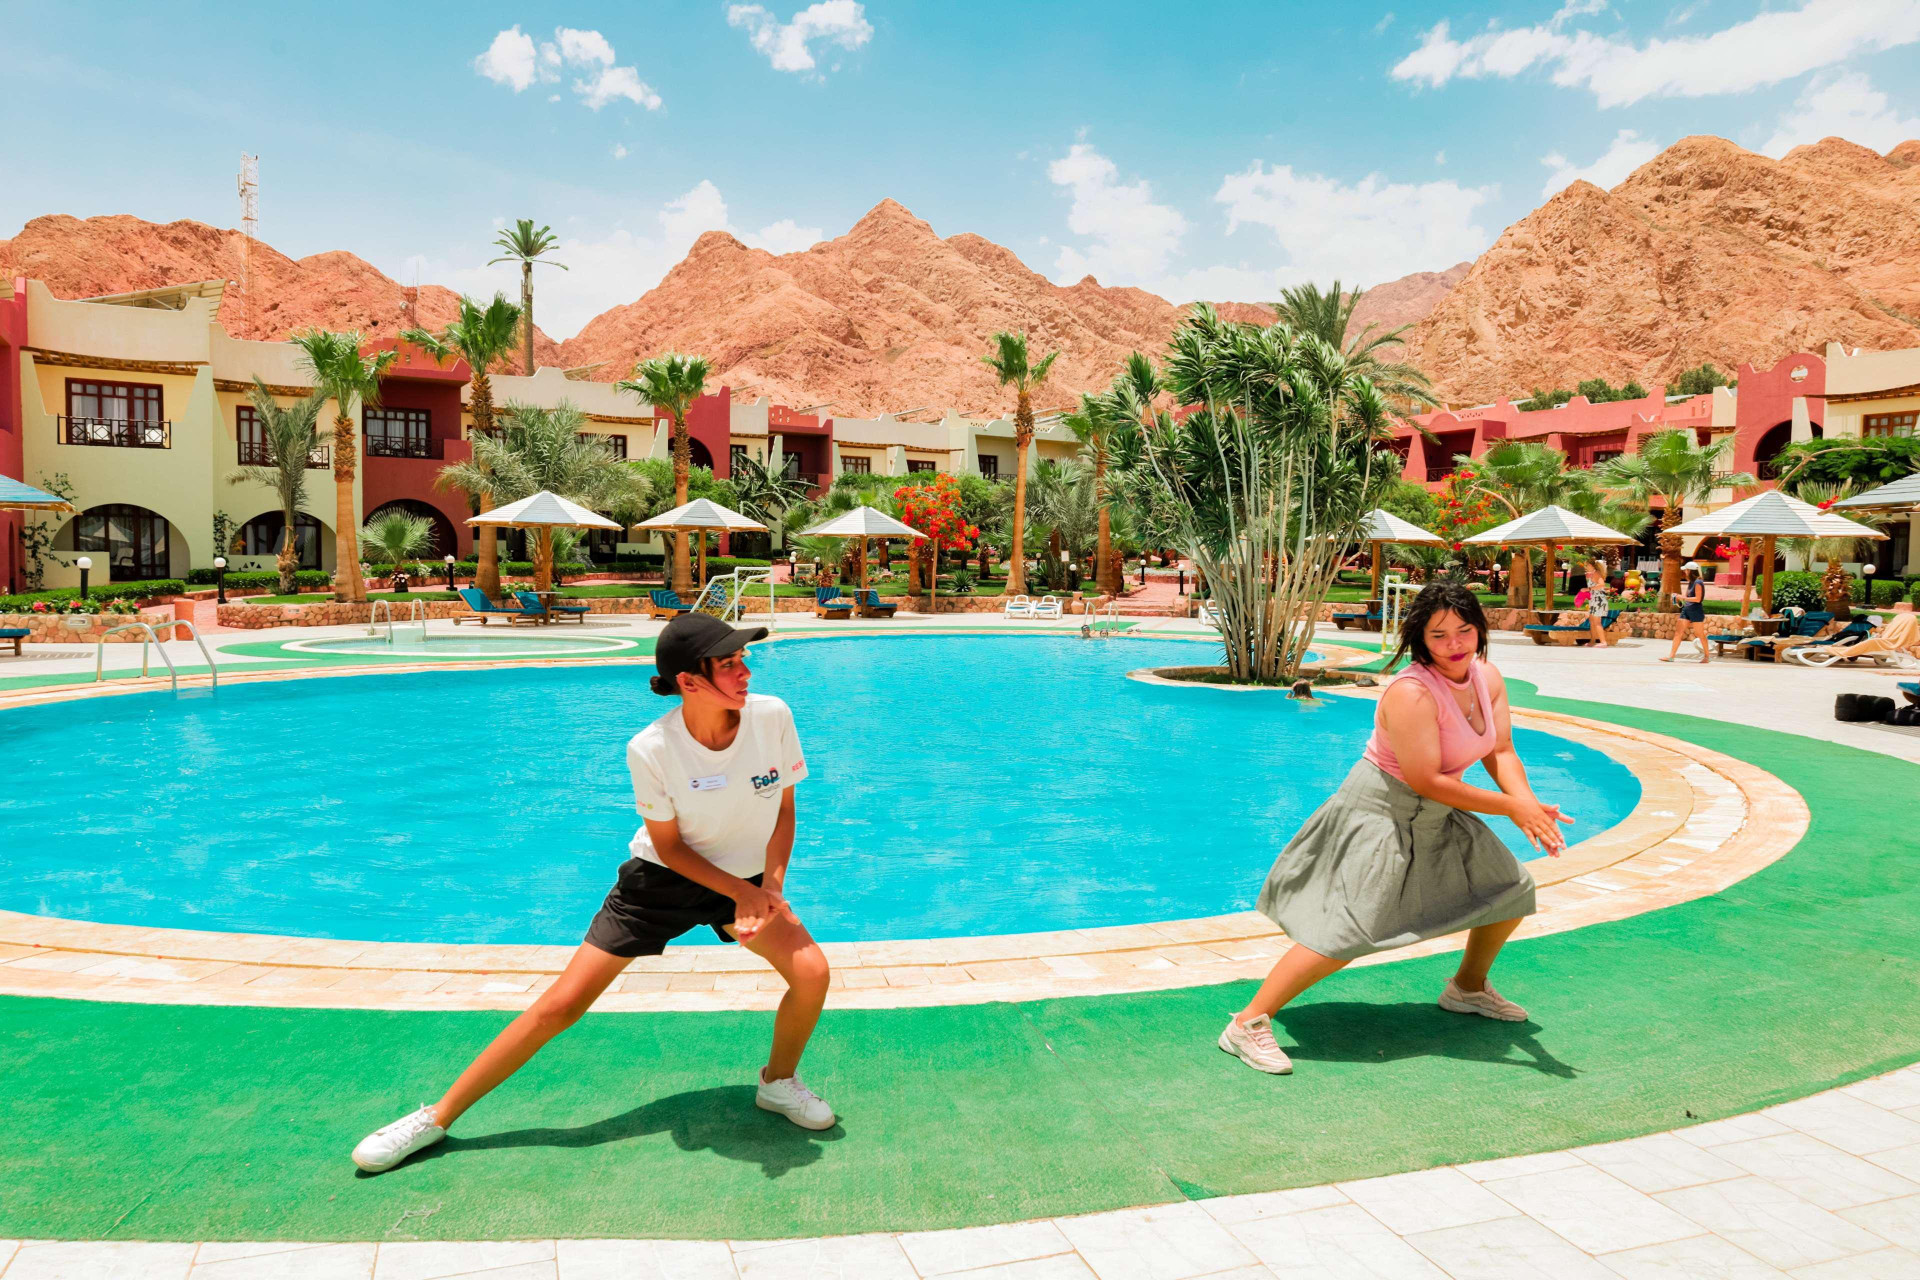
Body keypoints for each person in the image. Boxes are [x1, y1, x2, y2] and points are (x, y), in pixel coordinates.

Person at [350, 613, 835, 1173]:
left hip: (745, 882)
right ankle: (435, 1117)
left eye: (744, 660)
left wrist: (769, 888)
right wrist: (741, 894)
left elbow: (784, 809)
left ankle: (777, 1083)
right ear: (688, 681)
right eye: (728, 664)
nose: (745, 672)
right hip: (662, 881)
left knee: (812, 973)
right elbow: (670, 848)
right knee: (561, 1006)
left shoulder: (772, 716)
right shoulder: (651, 748)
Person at [1218, 582, 1571, 1075]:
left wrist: (1528, 803)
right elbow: (1426, 779)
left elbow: (1501, 750)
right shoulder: (1411, 692)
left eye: (1464, 630)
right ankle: (1246, 1024)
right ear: (1420, 639)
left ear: (1480, 629)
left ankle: (1467, 989)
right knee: (1350, 929)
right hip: (1381, 809)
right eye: (1439, 635)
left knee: (1511, 888)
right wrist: (1513, 808)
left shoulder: (1487, 677)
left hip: (1438, 810)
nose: (1455, 644)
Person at [1661, 562, 1710, 664]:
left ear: (1690, 571)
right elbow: (1688, 597)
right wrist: (1678, 597)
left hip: (1696, 611)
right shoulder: (1691, 582)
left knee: (1700, 634)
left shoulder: (1698, 582)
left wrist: (1682, 597)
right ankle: (1671, 656)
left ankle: (1707, 657)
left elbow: (1698, 599)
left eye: (1686, 570)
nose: (1685, 572)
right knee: (1678, 633)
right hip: (1687, 610)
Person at [1583, 561, 1612, 648]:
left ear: (1591, 565)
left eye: (1587, 565)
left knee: (1597, 622)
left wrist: (1588, 589)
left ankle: (1603, 642)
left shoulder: (1596, 573)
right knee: (1592, 622)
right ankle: (1592, 641)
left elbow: (1601, 584)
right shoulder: (1593, 574)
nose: (1585, 567)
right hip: (1594, 600)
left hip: (1598, 601)